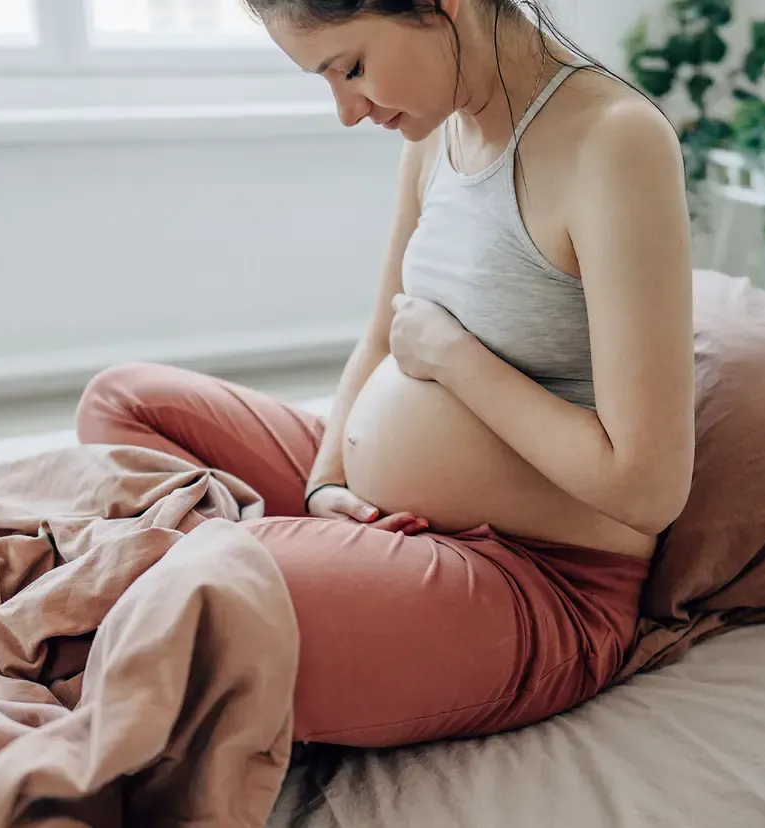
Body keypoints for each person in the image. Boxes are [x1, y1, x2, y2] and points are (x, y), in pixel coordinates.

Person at [75, 0, 693, 749]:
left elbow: (649, 487)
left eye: (352, 67)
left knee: (205, 591)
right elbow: (378, 340)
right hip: (378, 510)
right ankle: (306, 566)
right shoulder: (437, 135)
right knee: (124, 404)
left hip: (534, 576)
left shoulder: (615, 141)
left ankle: (257, 578)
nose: (345, 110)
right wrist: (325, 483)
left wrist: (454, 360)